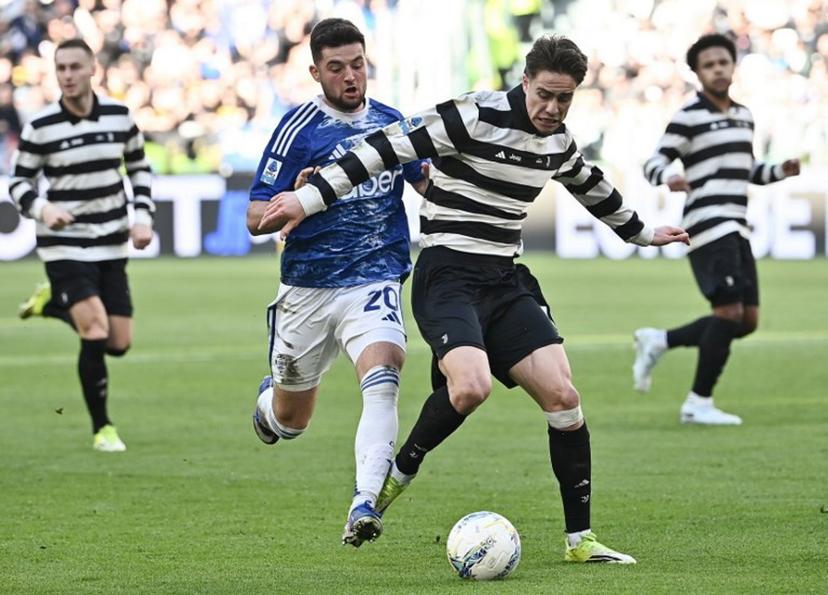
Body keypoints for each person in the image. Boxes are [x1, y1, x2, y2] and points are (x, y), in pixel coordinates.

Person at [259, 35, 689, 563]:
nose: (553, 108)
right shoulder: (472, 115)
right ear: (525, 82)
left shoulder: (558, 143)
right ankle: (396, 476)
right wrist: (307, 199)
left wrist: (643, 233)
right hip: (446, 275)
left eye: (565, 99)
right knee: (471, 387)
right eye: (545, 94)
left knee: (564, 398)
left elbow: (591, 186)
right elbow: (382, 149)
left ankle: (580, 542)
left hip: (504, 281)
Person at [246, 18, 427, 548]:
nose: (350, 76)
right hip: (309, 289)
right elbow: (254, 218)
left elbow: (428, 183)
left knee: (385, 372)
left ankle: (364, 503)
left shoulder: (393, 125)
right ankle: (269, 405)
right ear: (315, 72)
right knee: (291, 421)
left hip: (375, 279)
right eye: (336, 68)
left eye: (357, 64)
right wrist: (295, 201)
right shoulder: (298, 130)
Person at [634, 33, 800, 425]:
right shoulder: (689, 116)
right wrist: (669, 176)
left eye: (723, 62)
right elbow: (653, 162)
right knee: (728, 311)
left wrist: (780, 171)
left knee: (747, 321)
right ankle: (698, 403)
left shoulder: (744, 116)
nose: (718, 70)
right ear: (697, 73)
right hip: (707, 224)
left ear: (733, 66)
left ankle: (661, 340)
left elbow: (748, 169)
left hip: (736, 225)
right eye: (709, 65)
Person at [10, 38, 155, 451]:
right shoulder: (41, 126)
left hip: (111, 241)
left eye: (75, 67)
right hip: (64, 243)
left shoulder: (118, 116)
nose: (68, 75)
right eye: (61, 68)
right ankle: (102, 428)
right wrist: (43, 209)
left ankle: (52, 304)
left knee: (118, 342)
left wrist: (143, 218)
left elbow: (140, 168)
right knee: (94, 329)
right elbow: (19, 182)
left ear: (93, 69)